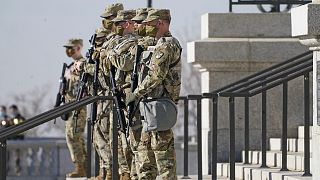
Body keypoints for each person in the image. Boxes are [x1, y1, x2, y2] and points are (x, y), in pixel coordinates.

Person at [125, 9, 182, 180]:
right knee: (145, 157)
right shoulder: (155, 44)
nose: (146, 27)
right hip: (149, 107)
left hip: (160, 106)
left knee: (163, 158)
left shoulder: (167, 45)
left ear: (161, 23)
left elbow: (156, 76)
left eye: (149, 24)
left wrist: (136, 93)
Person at [63, 38, 88, 178]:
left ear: (78, 48)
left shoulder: (82, 64)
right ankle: (80, 166)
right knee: (70, 136)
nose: (68, 51)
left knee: (74, 135)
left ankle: (81, 166)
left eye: (71, 48)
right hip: (69, 105)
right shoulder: (70, 66)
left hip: (78, 106)